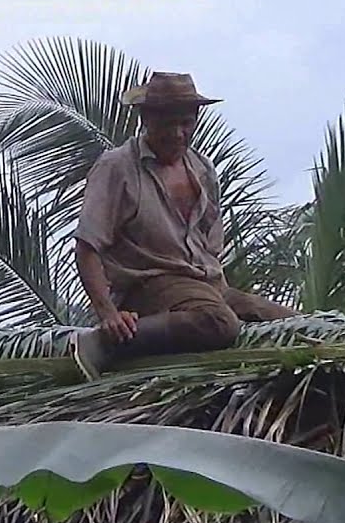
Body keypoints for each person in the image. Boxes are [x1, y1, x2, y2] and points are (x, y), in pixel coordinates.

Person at [69, 72, 297, 380]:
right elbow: (87, 248)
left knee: (292, 323)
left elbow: (211, 247)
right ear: (146, 119)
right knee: (219, 323)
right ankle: (105, 344)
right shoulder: (118, 167)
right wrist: (108, 314)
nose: (177, 133)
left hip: (206, 286)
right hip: (149, 286)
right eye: (167, 124)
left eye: (186, 123)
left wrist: (226, 295)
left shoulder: (202, 169)